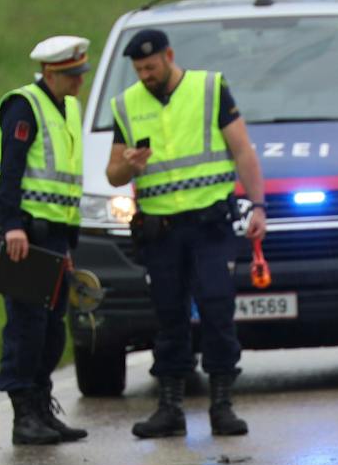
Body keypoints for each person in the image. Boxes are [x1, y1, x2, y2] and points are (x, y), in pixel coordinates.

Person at [106, 28, 267, 438]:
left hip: (209, 225)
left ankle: (222, 405)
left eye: (151, 66)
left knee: (216, 309)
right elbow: (113, 173)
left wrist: (259, 204)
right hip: (160, 232)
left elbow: (242, 149)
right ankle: (170, 408)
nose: (145, 75)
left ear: (169, 56)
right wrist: (129, 164)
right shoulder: (126, 105)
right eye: (139, 69)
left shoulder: (209, 88)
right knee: (169, 316)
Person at [0, 36, 91, 446]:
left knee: (50, 329)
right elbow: (10, 170)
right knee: (25, 328)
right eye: (71, 74)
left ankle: (43, 408)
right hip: (23, 237)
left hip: (55, 238)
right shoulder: (23, 106)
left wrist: (68, 240)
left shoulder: (69, 108)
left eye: (80, 73)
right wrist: (10, 224)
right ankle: (23, 415)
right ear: (49, 72)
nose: (78, 81)